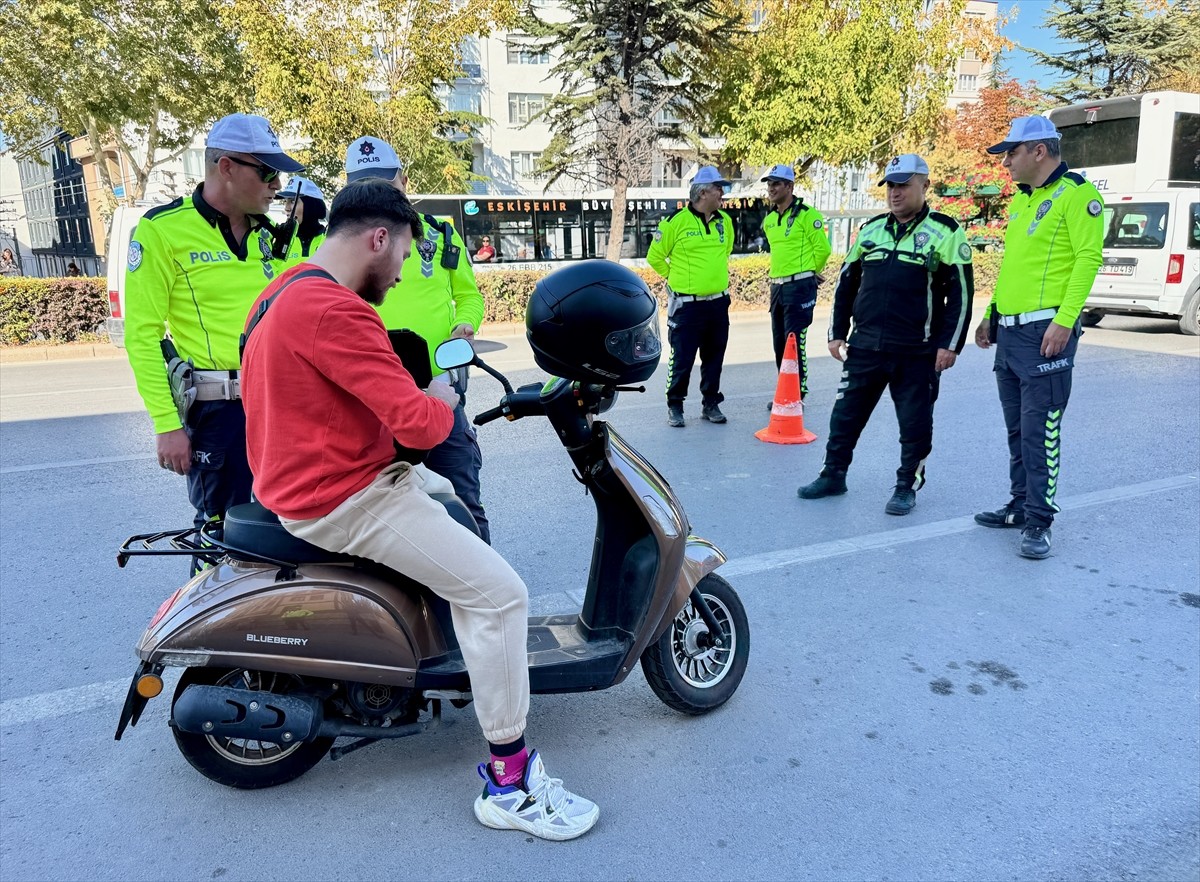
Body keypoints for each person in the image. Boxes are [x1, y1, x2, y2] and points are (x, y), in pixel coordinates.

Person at [240, 178, 599, 840]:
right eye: (403, 255)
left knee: (457, 515)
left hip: (309, 480)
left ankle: (453, 657)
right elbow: (422, 425)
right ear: (379, 238)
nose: (402, 272)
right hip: (346, 495)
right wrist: (443, 396)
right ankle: (510, 783)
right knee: (501, 595)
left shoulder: (284, 290)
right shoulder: (336, 310)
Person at [124, 112, 300, 571]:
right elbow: (142, 335)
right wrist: (166, 424)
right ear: (226, 167)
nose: (277, 184)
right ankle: (210, 616)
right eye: (267, 172)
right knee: (221, 535)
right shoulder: (162, 230)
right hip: (217, 412)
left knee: (284, 526)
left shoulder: (272, 236)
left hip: (278, 403)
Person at [798, 154, 974, 515]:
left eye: (903, 185)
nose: (895, 192)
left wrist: (950, 345)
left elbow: (961, 293)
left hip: (917, 351)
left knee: (915, 425)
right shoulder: (871, 230)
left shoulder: (945, 231)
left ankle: (907, 485)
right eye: (891, 185)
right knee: (844, 417)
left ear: (924, 185)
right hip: (865, 346)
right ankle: (833, 475)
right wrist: (836, 333)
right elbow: (846, 283)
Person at [343, 136, 491, 542]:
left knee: (461, 503)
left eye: (384, 184)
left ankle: (477, 581)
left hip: (438, 391)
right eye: (363, 186)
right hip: (369, 399)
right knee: (380, 517)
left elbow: (469, 296)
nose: (375, 195)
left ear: (404, 182)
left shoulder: (440, 235)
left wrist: (464, 325)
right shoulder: (334, 245)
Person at [973, 116, 1104, 559]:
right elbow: (1014, 266)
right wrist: (991, 314)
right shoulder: (1022, 201)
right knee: (1017, 429)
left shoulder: (1077, 195)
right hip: (1011, 331)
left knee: (1040, 431)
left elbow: (1088, 259)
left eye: (1011, 152)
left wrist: (1065, 321)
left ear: (1039, 151)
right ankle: (1018, 505)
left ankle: (1039, 520)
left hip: (1045, 332)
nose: (1005, 162)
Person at [647, 165, 735, 427]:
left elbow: (725, 252)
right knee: (682, 359)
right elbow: (655, 257)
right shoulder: (675, 222)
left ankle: (711, 403)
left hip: (718, 304)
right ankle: (675, 405)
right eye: (718, 188)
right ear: (703, 192)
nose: (722, 193)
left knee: (714, 358)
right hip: (687, 306)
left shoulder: (725, 221)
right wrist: (675, 278)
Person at [760, 163, 832, 400]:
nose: (771, 188)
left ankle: (797, 394)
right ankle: (785, 392)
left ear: (790, 187)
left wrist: (812, 272)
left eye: (776, 184)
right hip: (777, 286)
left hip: (799, 287)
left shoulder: (808, 215)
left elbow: (823, 250)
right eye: (769, 184)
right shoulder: (770, 220)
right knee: (779, 343)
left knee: (794, 342)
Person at [276, 177, 327, 264]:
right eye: (285, 201)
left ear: (311, 206)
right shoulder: (277, 239)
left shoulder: (329, 239)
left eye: (293, 201)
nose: (286, 208)